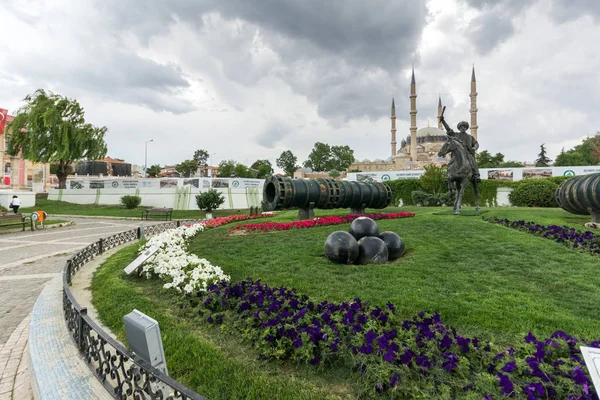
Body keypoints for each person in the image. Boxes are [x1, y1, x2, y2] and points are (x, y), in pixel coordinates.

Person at [439, 116, 481, 182]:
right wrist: (443, 121)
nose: (463, 128)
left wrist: (474, 148)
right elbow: (448, 129)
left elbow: (476, 144)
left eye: (464, 127)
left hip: (467, 153)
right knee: (450, 163)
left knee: (472, 161)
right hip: (457, 154)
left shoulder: (470, 137)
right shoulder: (456, 135)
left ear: (466, 128)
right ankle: (448, 176)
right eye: (461, 127)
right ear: (459, 128)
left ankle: (476, 175)